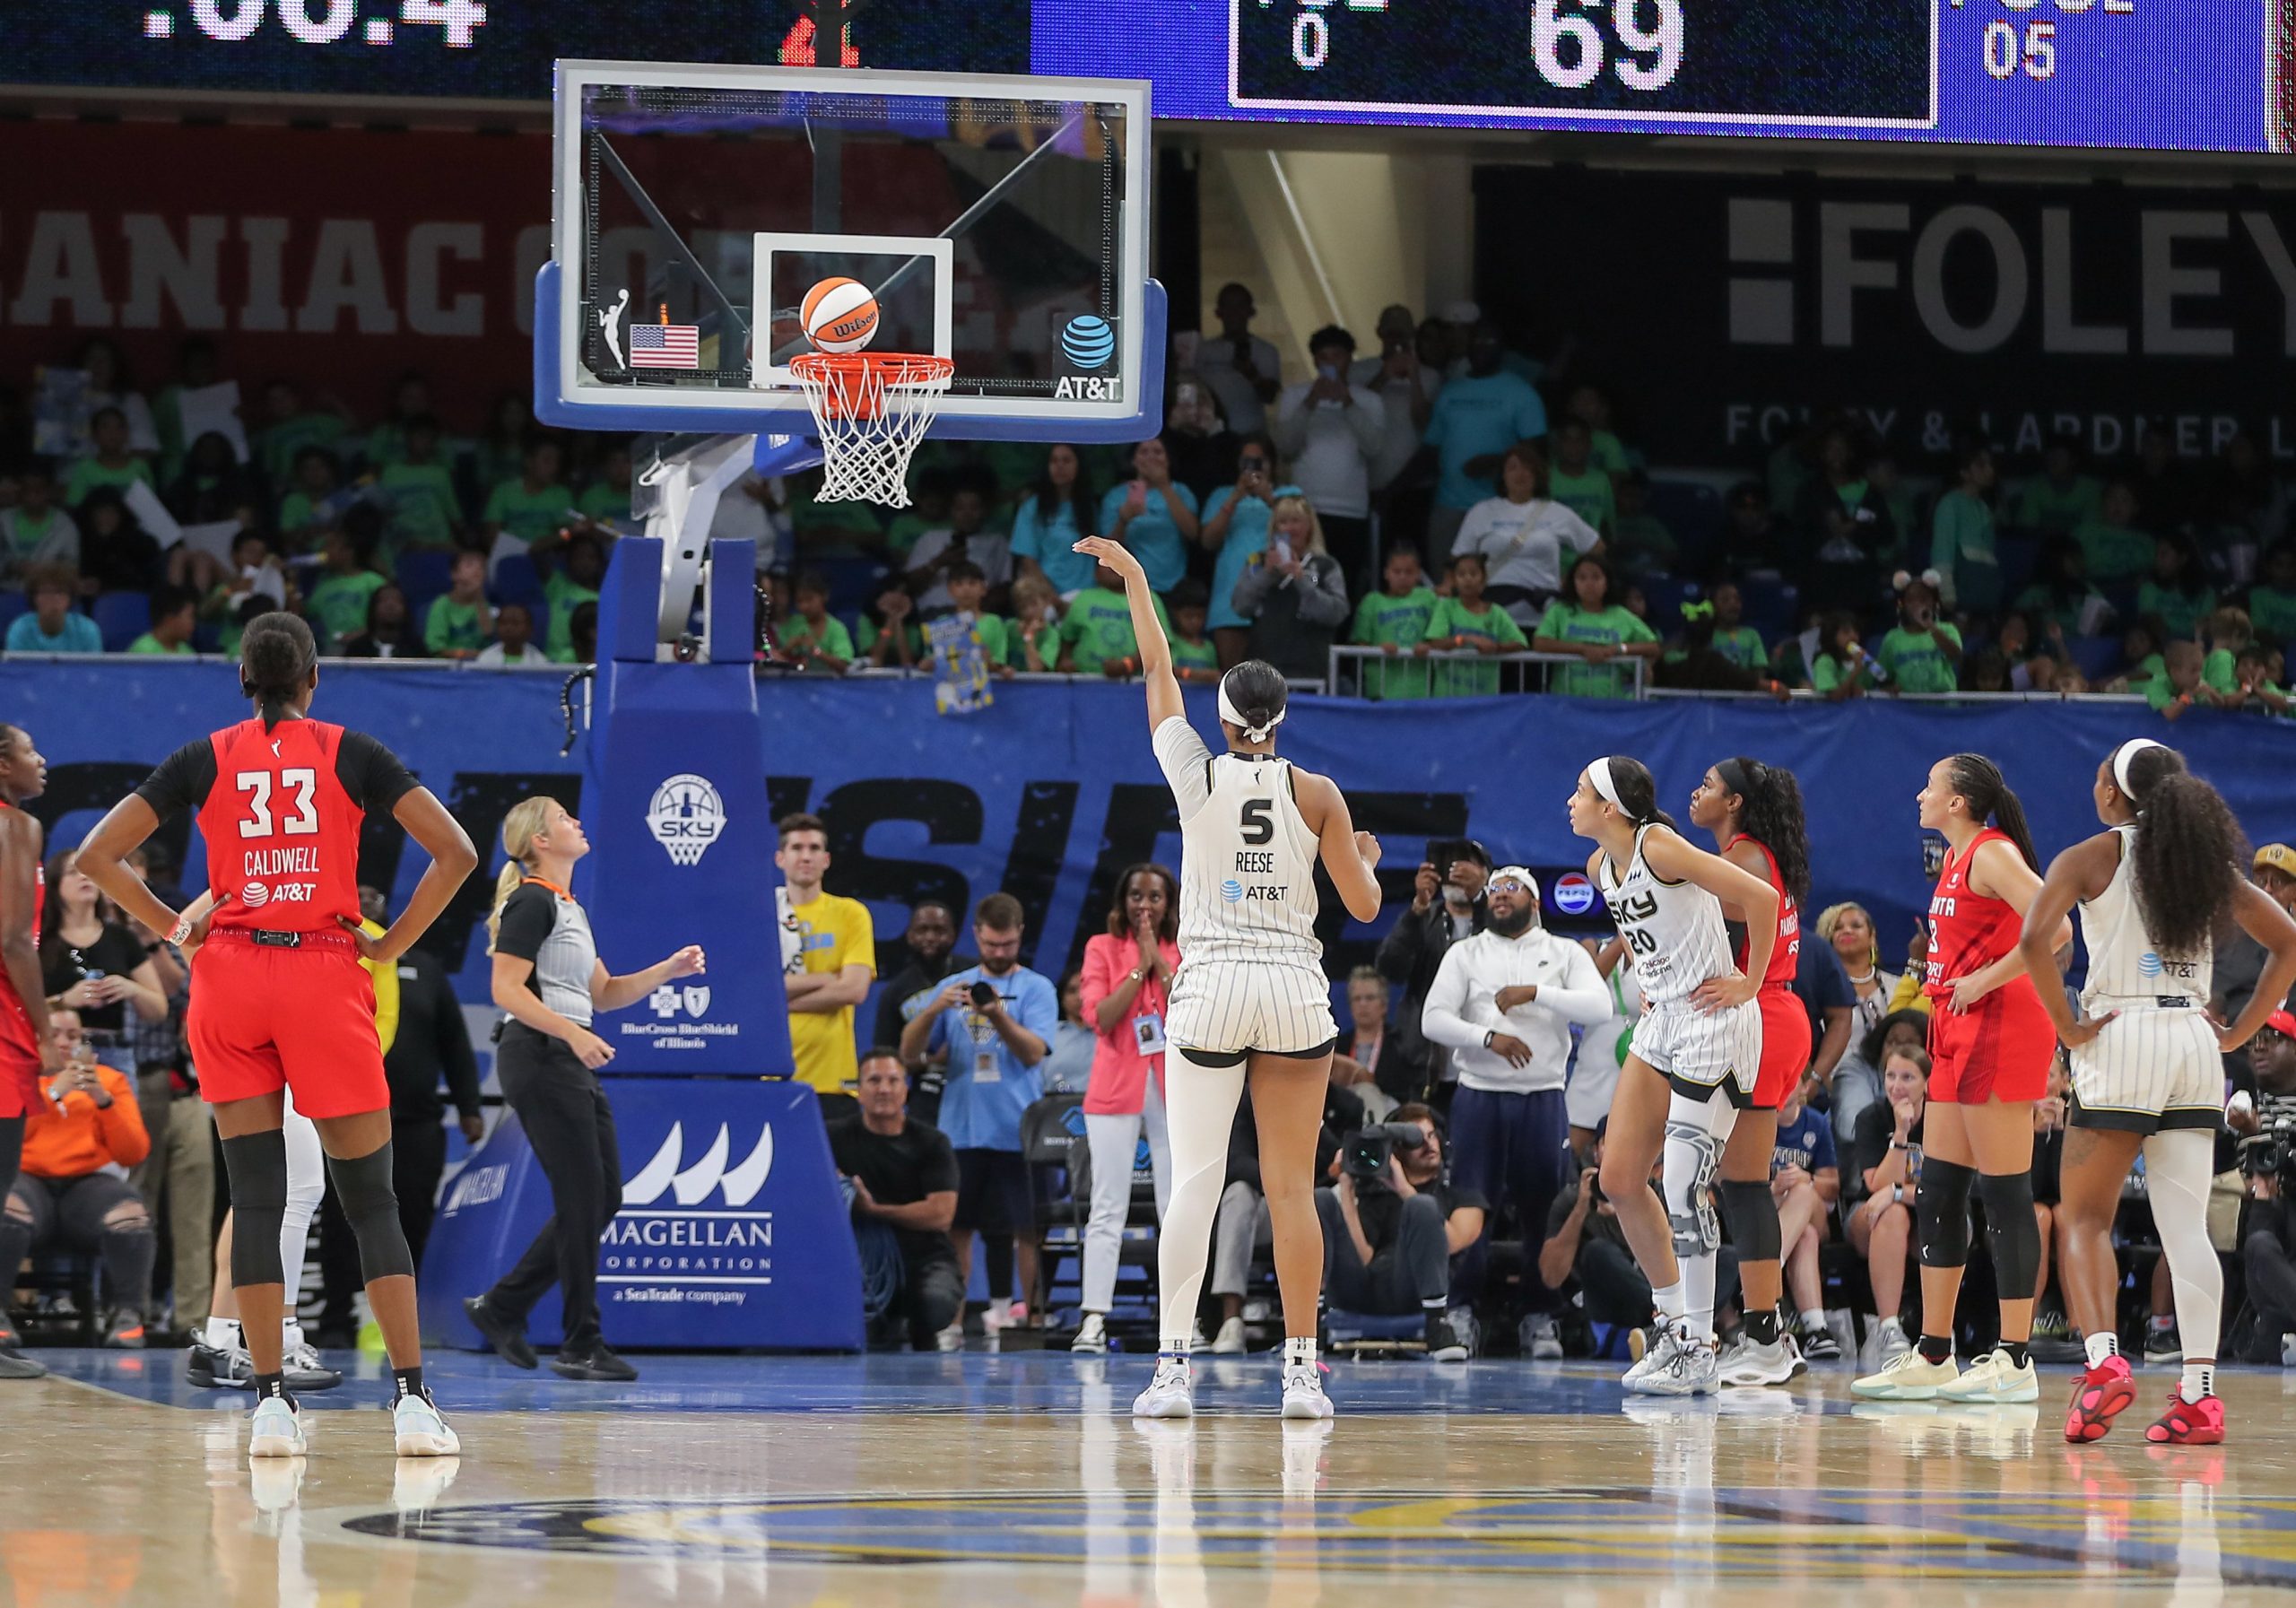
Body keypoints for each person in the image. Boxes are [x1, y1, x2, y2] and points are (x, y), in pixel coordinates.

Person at [74, 611, 478, 1458]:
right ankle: (410, 1402)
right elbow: (458, 852)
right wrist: (391, 943)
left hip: (229, 980)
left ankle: (268, 1406)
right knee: (370, 1198)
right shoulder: (351, 749)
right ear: (314, 678)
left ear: (243, 681)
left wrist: (174, 929)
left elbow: (97, 854)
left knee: (254, 1199)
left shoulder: (205, 755)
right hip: (322, 973)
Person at [1070, 533, 1382, 1422]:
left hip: (1207, 985)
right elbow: (1361, 909)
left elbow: (1156, 667)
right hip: (1290, 987)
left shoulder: (1195, 772)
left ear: (1228, 717)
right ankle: (1297, 1373)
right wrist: (1358, 855)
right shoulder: (1317, 788)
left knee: (1196, 1179)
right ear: (1281, 718)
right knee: (1289, 1188)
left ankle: (1172, 1370)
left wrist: (1136, 577)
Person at [2025, 741, 2296, 1446]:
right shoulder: (2208, 864)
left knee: (2083, 1218)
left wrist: (2067, 1025)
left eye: (2097, 777)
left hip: (2120, 1032)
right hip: (2193, 1043)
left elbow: (2032, 941)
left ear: (2115, 795)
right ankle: (2199, 1398)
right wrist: (2239, 1032)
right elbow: (2288, 940)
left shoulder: (2094, 854)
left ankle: (2104, 1362)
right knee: (2187, 1229)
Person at [458, 797, 703, 1383]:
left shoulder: (568, 907)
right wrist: (571, 1034)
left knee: (602, 1196)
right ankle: (580, 1340)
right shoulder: (531, 901)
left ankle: (503, 1305)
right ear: (540, 840)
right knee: (581, 1197)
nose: (578, 823)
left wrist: (667, 969)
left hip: (566, 1054)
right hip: (542, 1053)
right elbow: (507, 989)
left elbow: (607, 992)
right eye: (566, 818)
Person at [1852, 754, 2062, 1407]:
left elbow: (2056, 928)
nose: (1920, 793)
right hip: (1954, 1027)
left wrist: (1985, 979)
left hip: (2001, 1024)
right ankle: (1935, 1353)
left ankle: (2016, 1358)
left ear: (1960, 800)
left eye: (1931, 785)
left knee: (2006, 1194)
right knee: (1940, 1188)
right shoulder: (1953, 857)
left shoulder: (1992, 854)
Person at [1570, 755, 1779, 1396]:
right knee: (1620, 1177)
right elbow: (1639, 928)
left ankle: (1700, 1342)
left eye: (1581, 791)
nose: (1570, 801)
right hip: (1664, 1020)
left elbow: (1762, 896)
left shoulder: (1659, 844)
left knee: (1687, 1186)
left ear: (1612, 807)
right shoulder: (1599, 865)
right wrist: (1651, 980)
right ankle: (1671, 1325)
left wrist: (1751, 981)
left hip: (1716, 1018)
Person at [1416, 866, 1610, 1360]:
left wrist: (1536, 992)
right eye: (1495, 889)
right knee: (1470, 1208)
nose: (1501, 895)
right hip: (1479, 1095)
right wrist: (1488, 1038)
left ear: (1535, 901)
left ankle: (1539, 1315)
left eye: (1512, 888)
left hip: (1543, 1096)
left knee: (1541, 1211)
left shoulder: (1563, 952)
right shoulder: (1467, 952)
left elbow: (1599, 1007)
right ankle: (1461, 1312)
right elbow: (1433, 1018)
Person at [1686, 756, 1814, 1387]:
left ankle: (1762, 1333)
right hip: (1766, 1013)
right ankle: (1757, 1328)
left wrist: (1748, 981)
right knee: (1735, 1180)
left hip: (1760, 1014)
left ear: (1733, 801)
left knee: (1741, 1183)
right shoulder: (1751, 853)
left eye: (1707, 785)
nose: (1695, 792)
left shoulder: (1742, 859)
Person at [900, 893, 1057, 1340]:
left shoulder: (1036, 988)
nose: (999, 953)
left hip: (1018, 1131)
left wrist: (995, 1014)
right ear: (977, 936)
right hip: (962, 1130)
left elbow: (1032, 1053)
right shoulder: (955, 986)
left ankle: (1030, 1320)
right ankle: (952, 1319)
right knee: (958, 1228)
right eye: (991, 944)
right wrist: (933, 1009)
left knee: (1026, 1229)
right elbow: (911, 1057)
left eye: (1007, 944)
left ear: (1020, 936)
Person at [1069, 865, 1181, 1353]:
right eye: (1136, 895)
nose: (1145, 905)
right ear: (1122, 901)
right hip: (1115, 1088)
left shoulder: (1186, 946)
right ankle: (1094, 1319)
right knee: (1108, 1205)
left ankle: (1182, 1322)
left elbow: (1190, 1009)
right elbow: (1101, 1017)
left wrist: (1160, 958)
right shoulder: (1101, 948)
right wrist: (1140, 963)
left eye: (1155, 897)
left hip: (1174, 1089)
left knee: (1175, 1208)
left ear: (1168, 903)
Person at [0, 1009, 152, 1347]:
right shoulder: (15, 1078)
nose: (66, 1043)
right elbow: (9, 1137)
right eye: (55, 1034)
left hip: (86, 1185)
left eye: (74, 1036)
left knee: (131, 1216)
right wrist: (53, 1093)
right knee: (5, 1208)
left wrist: (103, 1101)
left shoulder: (109, 1080)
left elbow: (134, 1152)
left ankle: (127, 1315)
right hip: (27, 1178)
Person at [1318, 1103, 1486, 1357]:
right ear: (1397, 1150)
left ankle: (1437, 1326)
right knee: (1321, 1198)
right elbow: (1364, 1258)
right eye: (1417, 1140)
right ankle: (1310, 1326)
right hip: (1363, 1288)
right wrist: (1347, 1189)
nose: (1429, 1145)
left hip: (1414, 1292)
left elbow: (1450, 1243)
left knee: (1422, 1205)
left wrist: (1404, 1189)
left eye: (1431, 1136)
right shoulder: (1373, 1194)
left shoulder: (1461, 1197)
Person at [831, 1048, 963, 1350]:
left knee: (934, 1305)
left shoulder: (932, 1142)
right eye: (874, 1080)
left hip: (927, 1257)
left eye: (893, 1080)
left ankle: (918, 1326)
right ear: (858, 1090)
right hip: (862, 1262)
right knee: (867, 1324)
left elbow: (941, 1214)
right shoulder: (831, 1138)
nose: (884, 1089)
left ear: (906, 1089)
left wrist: (874, 1210)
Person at [380, 892, 483, 1268]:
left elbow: (455, 1043)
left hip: (416, 1121)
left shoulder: (425, 969)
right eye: (357, 896)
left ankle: (413, 1312)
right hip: (345, 1120)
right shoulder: (329, 967)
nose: (366, 901)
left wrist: (470, 1107)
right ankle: (336, 1320)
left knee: (415, 1214)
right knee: (342, 1221)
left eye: (374, 896)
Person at [0, 725, 55, 1378]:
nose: (40, 760)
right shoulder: (16, 827)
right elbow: (15, 939)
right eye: (29, 750)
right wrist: (45, 1030)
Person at [1375, 839, 1492, 1104]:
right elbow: (1390, 968)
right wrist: (1418, 908)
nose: (1456, 871)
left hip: (1483, 1063)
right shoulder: (1422, 919)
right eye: (1448, 863)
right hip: (1425, 1067)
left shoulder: (1500, 920)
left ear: (1485, 873)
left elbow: (1505, 949)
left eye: (1466, 864)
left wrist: (1480, 899)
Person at [1272, 326, 1384, 586]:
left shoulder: (1368, 401)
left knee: (1344, 582)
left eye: (1338, 356)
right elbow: (1286, 446)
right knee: (1302, 581)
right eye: (1324, 357)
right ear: (1314, 360)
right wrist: (1310, 402)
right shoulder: (1296, 395)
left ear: (1350, 358)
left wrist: (1347, 403)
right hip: (1306, 508)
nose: (1331, 363)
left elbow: (1374, 448)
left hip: (1351, 508)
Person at [776, 813, 875, 1104]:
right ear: (780, 858)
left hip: (833, 1083)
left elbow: (854, 990)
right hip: (774, 1080)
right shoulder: (764, 915)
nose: (806, 857)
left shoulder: (851, 914)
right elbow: (751, 993)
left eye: (814, 848)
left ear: (826, 859)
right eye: (796, 848)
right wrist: (825, 979)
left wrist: (777, 1002)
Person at [1450, 445, 1601, 629]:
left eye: (1527, 468)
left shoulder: (1558, 512)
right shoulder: (1481, 512)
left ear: (1537, 475)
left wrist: (1571, 580)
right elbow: (1458, 558)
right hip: (1493, 610)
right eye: (1512, 468)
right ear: (1503, 475)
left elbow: (1596, 547)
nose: (1520, 474)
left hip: (1544, 612)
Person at [39, 849, 168, 1060]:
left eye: (89, 872)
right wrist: (65, 1000)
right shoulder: (40, 943)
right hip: (59, 1053)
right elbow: (18, 1009)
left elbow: (159, 1009)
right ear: (54, 885)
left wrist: (131, 989)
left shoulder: (121, 937)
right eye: (72, 872)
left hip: (115, 1052)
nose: (83, 877)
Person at [1848, 1044, 1930, 1368]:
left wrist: (1899, 1191)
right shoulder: (1871, 1117)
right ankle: (1889, 1329)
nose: (1896, 1086)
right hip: (1873, 1218)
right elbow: (1875, 1187)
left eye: (1908, 1077)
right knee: (1891, 1214)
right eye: (1890, 1076)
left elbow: (1943, 1189)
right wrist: (1901, 1133)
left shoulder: (1944, 1118)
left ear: (1927, 1083)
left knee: (1926, 1212)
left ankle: (1939, 1328)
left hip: (1931, 1212)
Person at [1230, 492, 1349, 681]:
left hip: (1310, 669)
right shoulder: (1257, 562)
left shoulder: (1326, 565)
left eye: (1296, 521)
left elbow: (1338, 612)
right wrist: (1266, 575)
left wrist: (1301, 581)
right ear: (1275, 527)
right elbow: (1240, 606)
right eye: (1284, 522)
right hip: (1263, 667)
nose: (1290, 528)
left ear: (1309, 526)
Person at [873, 900, 970, 1116]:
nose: (930, 937)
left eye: (939, 930)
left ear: (954, 935)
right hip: (926, 1096)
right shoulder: (896, 991)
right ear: (909, 936)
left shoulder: (973, 975)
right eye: (922, 930)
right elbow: (887, 1058)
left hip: (976, 1087)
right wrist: (931, 1060)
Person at [1770, 1081, 1842, 1360]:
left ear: (1803, 1087)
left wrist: (1807, 1178)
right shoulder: (1756, 1120)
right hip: (1773, 1212)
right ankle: (1816, 1329)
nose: (1784, 1087)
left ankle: (1764, 1273)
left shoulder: (1815, 1123)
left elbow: (1833, 1186)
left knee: (1801, 1191)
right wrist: (1775, 1187)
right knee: (1805, 1236)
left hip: (1814, 1210)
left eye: (1791, 1081)